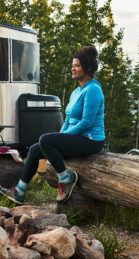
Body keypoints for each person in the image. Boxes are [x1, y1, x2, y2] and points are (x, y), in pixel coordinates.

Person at [6, 45, 105, 204]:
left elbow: (87, 123)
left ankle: (65, 179)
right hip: (77, 137)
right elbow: (68, 119)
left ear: (87, 67)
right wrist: (60, 136)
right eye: (72, 65)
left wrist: (62, 137)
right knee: (35, 149)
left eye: (77, 66)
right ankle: (20, 190)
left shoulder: (93, 90)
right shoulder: (76, 91)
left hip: (91, 140)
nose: (73, 69)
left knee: (45, 140)